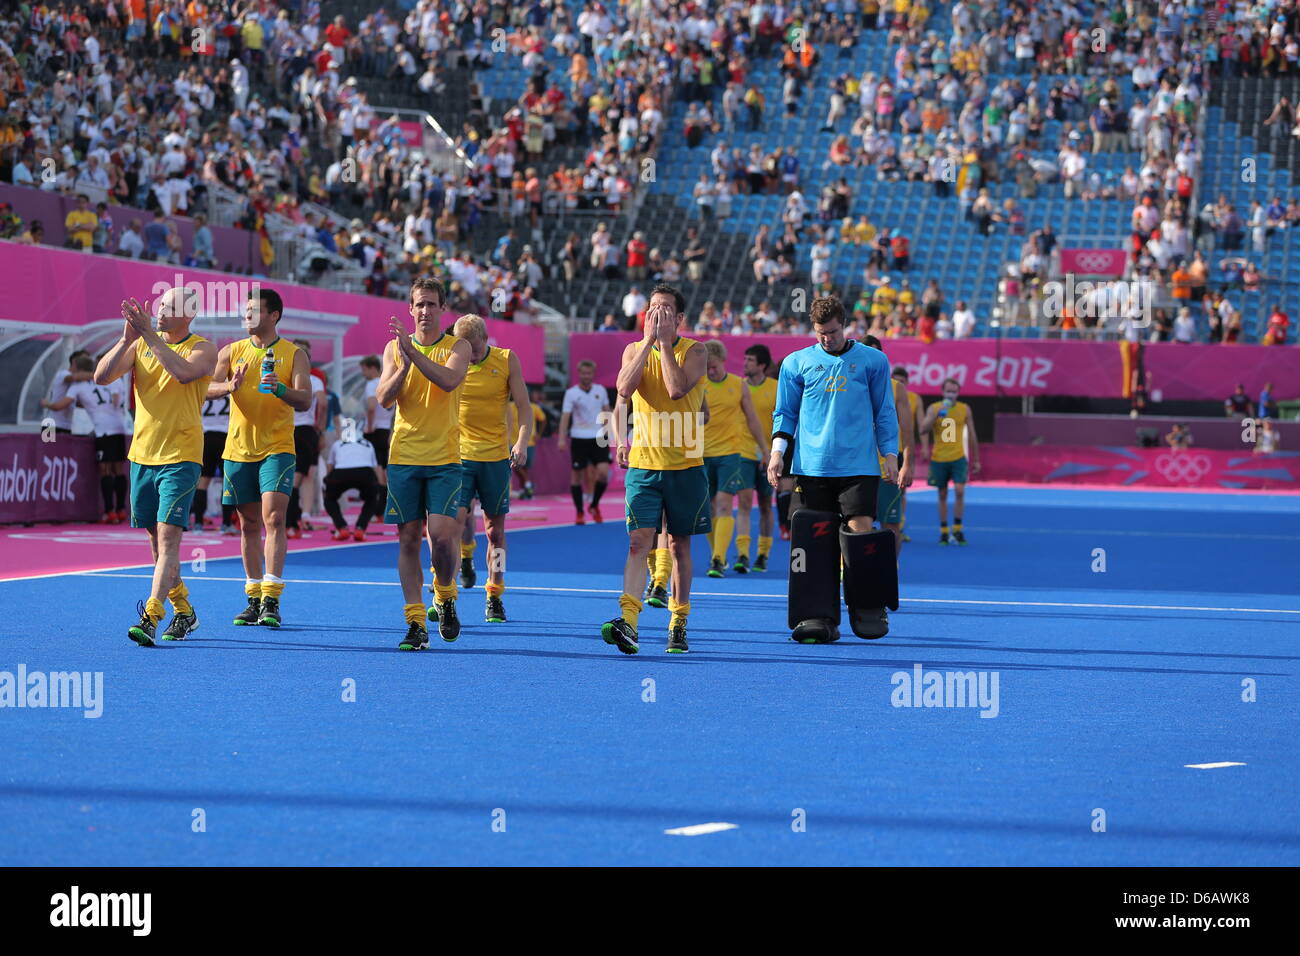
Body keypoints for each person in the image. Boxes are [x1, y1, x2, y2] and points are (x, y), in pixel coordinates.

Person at [765, 296, 900, 643]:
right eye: (821, 333)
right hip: (810, 467)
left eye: (834, 332)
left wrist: (890, 454)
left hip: (858, 466)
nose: (828, 339)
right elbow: (785, 415)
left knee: (860, 534)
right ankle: (817, 615)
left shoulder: (873, 361)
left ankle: (867, 606)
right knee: (814, 544)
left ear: (846, 324)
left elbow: (884, 411)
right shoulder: (796, 363)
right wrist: (777, 454)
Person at [92, 289, 217, 644]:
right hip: (143, 455)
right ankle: (184, 610)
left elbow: (181, 373)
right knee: (155, 541)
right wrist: (125, 339)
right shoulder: (140, 343)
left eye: (170, 307)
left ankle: (150, 616)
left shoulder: (203, 348)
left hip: (181, 454)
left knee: (168, 538)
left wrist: (146, 334)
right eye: (160, 306)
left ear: (188, 314)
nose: (160, 312)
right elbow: (101, 377)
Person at [605, 284, 710, 655]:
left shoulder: (696, 351)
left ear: (679, 318)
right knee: (638, 542)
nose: (657, 315)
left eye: (665, 310)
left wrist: (664, 343)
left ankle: (678, 620)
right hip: (644, 465)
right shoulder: (633, 349)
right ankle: (628, 621)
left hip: (685, 464)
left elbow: (676, 388)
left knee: (679, 544)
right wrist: (649, 342)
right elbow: (622, 389)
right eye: (652, 308)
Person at [208, 288, 314, 629]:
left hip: (277, 448)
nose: (246, 315)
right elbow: (202, 388)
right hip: (238, 449)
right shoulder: (231, 351)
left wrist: (281, 389)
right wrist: (228, 387)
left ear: (274, 316)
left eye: (254, 310)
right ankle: (252, 598)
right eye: (245, 310)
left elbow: (305, 399)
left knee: (274, 519)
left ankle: (271, 597)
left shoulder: (293, 353)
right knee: (249, 524)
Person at [374, 278, 471, 649]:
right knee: (408, 538)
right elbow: (383, 398)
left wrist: (413, 354)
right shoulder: (393, 349)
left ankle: (444, 594)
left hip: (445, 458)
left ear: (442, 309)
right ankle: (415, 622)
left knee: (444, 540)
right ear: (410, 310)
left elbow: (448, 380)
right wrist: (403, 362)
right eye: (420, 305)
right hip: (403, 457)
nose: (426, 311)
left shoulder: (456, 346)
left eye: (432, 304)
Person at [451, 314, 532, 623]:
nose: (468, 355)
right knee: (454, 524)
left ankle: (495, 593)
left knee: (495, 532)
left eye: (472, 348)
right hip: (458, 456)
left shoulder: (507, 359)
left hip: (496, 457)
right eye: (463, 348)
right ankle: (447, 591)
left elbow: (523, 406)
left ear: (485, 339)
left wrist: (521, 443)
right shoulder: (452, 358)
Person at [701, 340, 769, 578]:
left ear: (723, 362)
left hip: (730, 453)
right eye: (707, 367)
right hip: (701, 454)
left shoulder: (738, 385)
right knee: (708, 510)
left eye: (714, 367)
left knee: (724, 505)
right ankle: (716, 553)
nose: (710, 371)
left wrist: (765, 449)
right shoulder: (697, 384)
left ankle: (718, 559)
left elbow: (752, 419)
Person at [42, 352, 130, 523]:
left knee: (105, 469)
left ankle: (112, 511)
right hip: (54, 424)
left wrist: (46, 404)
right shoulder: (66, 375)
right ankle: (117, 510)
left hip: (57, 423)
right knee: (52, 458)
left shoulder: (80, 384)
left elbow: (67, 404)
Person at [863, 341, 915, 555]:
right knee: (855, 520)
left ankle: (889, 571)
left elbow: (908, 430)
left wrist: (908, 465)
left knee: (891, 524)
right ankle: (849, 567)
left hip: (889, 464)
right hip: (858, 464)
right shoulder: (847, 384)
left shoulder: (896, 388)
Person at [734, 344, 779, 572]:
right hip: (743, 452)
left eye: (750, 360)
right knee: (742, 502)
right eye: (745, 359)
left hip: (768, 455)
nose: (745, 364)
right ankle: (742, 553)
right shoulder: (738, 387)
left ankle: (763, 554)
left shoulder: (776, 388)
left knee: (764, 505)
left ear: (762, 365)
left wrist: (776, 453)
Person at [922, 378, 980, 545]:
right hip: (939, 458)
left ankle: (958, 528)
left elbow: (973, 434)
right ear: (942, 392)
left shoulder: (964, 409)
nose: (951, 394)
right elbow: (923, 429)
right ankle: (944, 531)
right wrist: (935, 415)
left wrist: (976, 459)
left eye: (954, 391)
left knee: (960, 491)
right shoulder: (934, 408)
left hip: (958, 457)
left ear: (958, 393)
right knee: (942, 494)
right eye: (948, 391)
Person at [558, 360, 612, 524]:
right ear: (579, 373)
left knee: (603, 473)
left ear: (592, 374)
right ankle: (580, 511)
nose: (586, 376)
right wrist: (561, 438)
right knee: (577, 476)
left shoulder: (600, 390)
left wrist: (611, 432)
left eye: (589, 373)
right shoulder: (571, 393)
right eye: (583, 373)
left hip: (598, 436)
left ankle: (594, 505)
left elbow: (607, 411)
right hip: (579, 437)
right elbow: (565, 416)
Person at [286, 339, 327, 538]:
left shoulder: (286, 377)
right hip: (305, 431)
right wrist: (320, 427)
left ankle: (292, 521)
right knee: (299, 477)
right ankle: (291, 523)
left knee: (287, 476)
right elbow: (323, 403)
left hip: (286, 429)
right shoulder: (314, 379)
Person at [323, 421, 382, 540]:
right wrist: (377, 488)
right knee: (371, 499)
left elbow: (329, 468)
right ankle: (361, 528)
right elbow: (375, 468)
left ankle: (341, 527)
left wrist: (328, 485)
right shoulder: (368, 444)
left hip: (341, 473)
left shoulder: (337, 443)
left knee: (329, 499)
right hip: (365, 473)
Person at [359, 354, 392, 526]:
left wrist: (369, 426)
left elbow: (372, 406)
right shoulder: (389, 382)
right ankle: (382, 508)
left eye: (364, 370)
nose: (363, 374)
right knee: (384, 470)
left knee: (377, 470)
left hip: (375, 429)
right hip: (386, 429)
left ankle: (378, 508)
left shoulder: (373, 384)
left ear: (372, 368)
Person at [508, 388, 549, 499]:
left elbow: (543, 419)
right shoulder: (509, 406)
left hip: (528, 442)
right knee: (516, 466)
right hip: (513, 442)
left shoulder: (532, 407)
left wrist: (539, 434)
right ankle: (528, 485)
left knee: (523, 467)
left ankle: (525, 489)